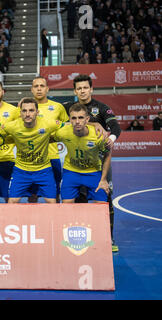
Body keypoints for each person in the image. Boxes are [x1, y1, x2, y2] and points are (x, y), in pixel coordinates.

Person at [63, 74, 121, 252]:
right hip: (78, 163)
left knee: (106, 197)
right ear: (75, 91)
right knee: (79, 199)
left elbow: (116, 128)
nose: (82, 91)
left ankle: (109, 239)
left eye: (85, 88)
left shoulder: (102, 108)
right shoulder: (67, 108)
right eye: (79, 88)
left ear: (91, 89)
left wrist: (109, 139)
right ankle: (80, 237)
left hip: (100, 161)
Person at [0, 97, 63, 204]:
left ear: (37, 112)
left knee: (52, 202)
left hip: (44, 170)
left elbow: (69, 126)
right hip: (21, 171)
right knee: (12, 201)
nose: (28, 114)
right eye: (24, 111)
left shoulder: (48, 124)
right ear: (20, 113)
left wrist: (94, 124)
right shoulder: (12, 126)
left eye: (31, 110)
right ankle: (12, 221)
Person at [53, 103, 111, 203]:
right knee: (66, 205)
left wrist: (104, 179)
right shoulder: (62, 132)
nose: (77, 122)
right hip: (71, 172)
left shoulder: (99, 136)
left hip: (93, 172)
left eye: (80, 118)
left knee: (101, 205)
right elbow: (48, 139)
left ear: (87, 119)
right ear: (69, 120)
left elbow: (107, 155)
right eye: (74, 118)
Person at [30, 76, 69, 203]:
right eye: (36, 86)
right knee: (32, 196)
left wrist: (55, 136)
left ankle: (55, 222)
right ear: (32, 90)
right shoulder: (24, 107)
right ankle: (33, 222)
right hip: (31, 159)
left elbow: (67, 127)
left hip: (52, 156)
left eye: (42, 86)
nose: (39, 89)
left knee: (55, 194)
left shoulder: (58, 107)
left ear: (47, 89)